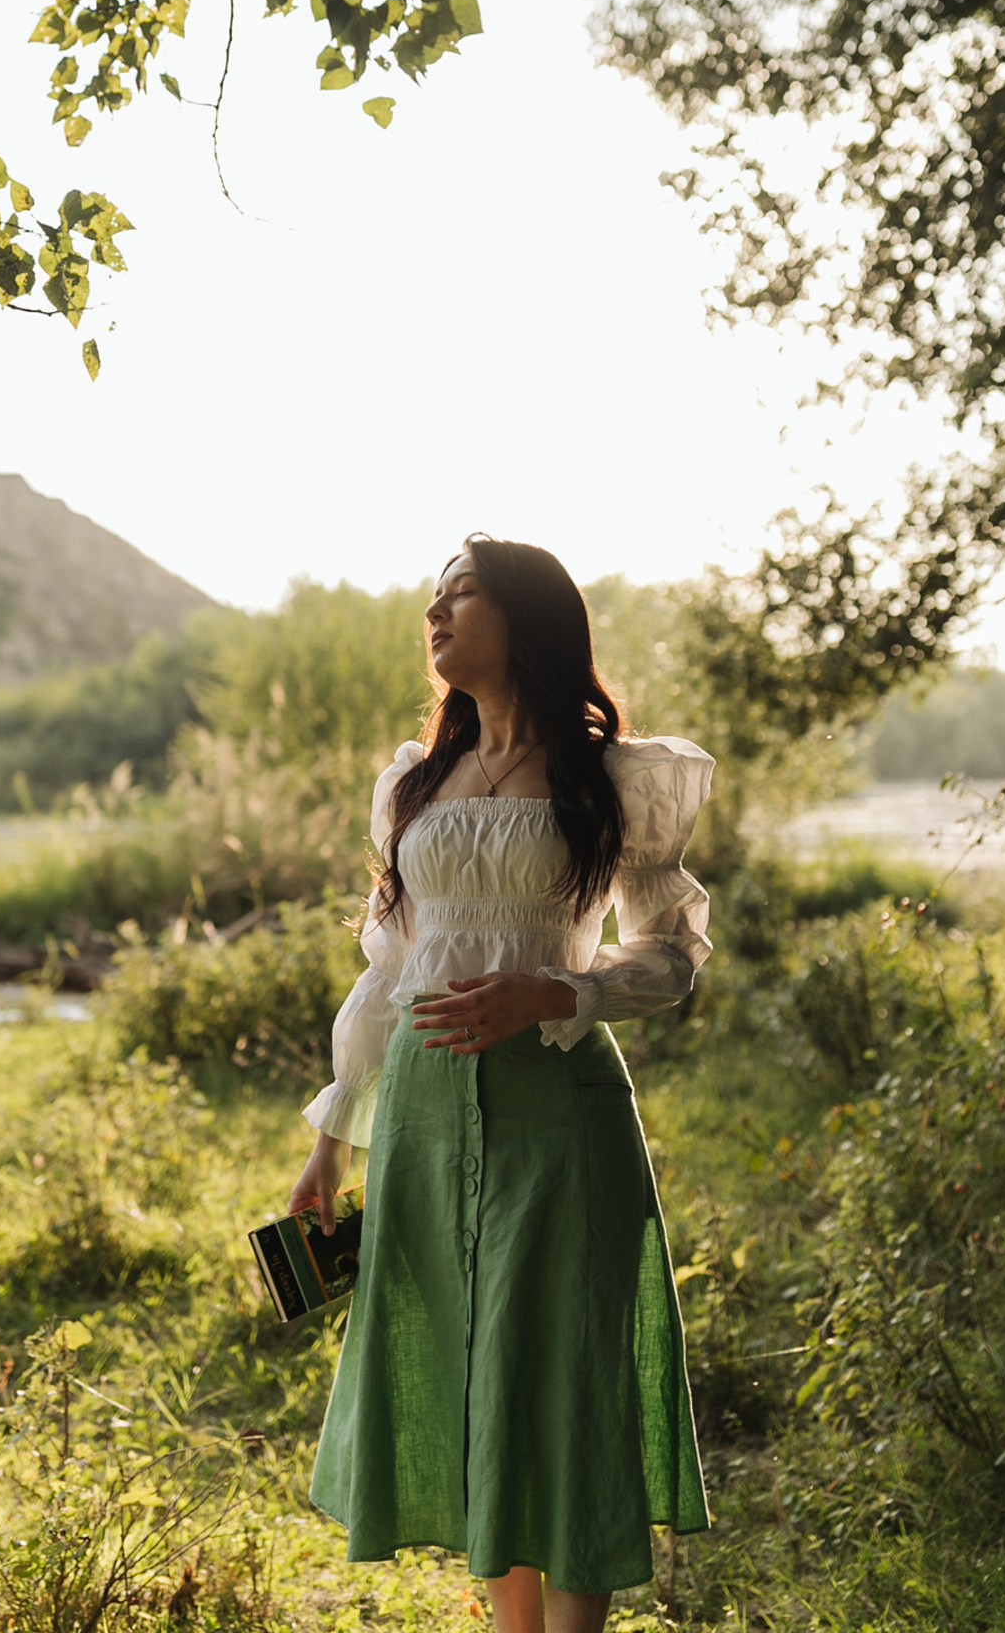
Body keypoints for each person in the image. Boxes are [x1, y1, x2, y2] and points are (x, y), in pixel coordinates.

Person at [288, 536, 715, 1633]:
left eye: (461, 593)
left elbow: (670, 955)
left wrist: (554, 990)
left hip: (559, 1106)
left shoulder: (611, 777)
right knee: (470, 1367)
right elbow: (390, 972)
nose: (435, 613)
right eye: (431, 598)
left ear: (527, 615)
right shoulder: (413, 783)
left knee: (567, 1373)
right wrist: (330, 1140)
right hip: (426, 1112)